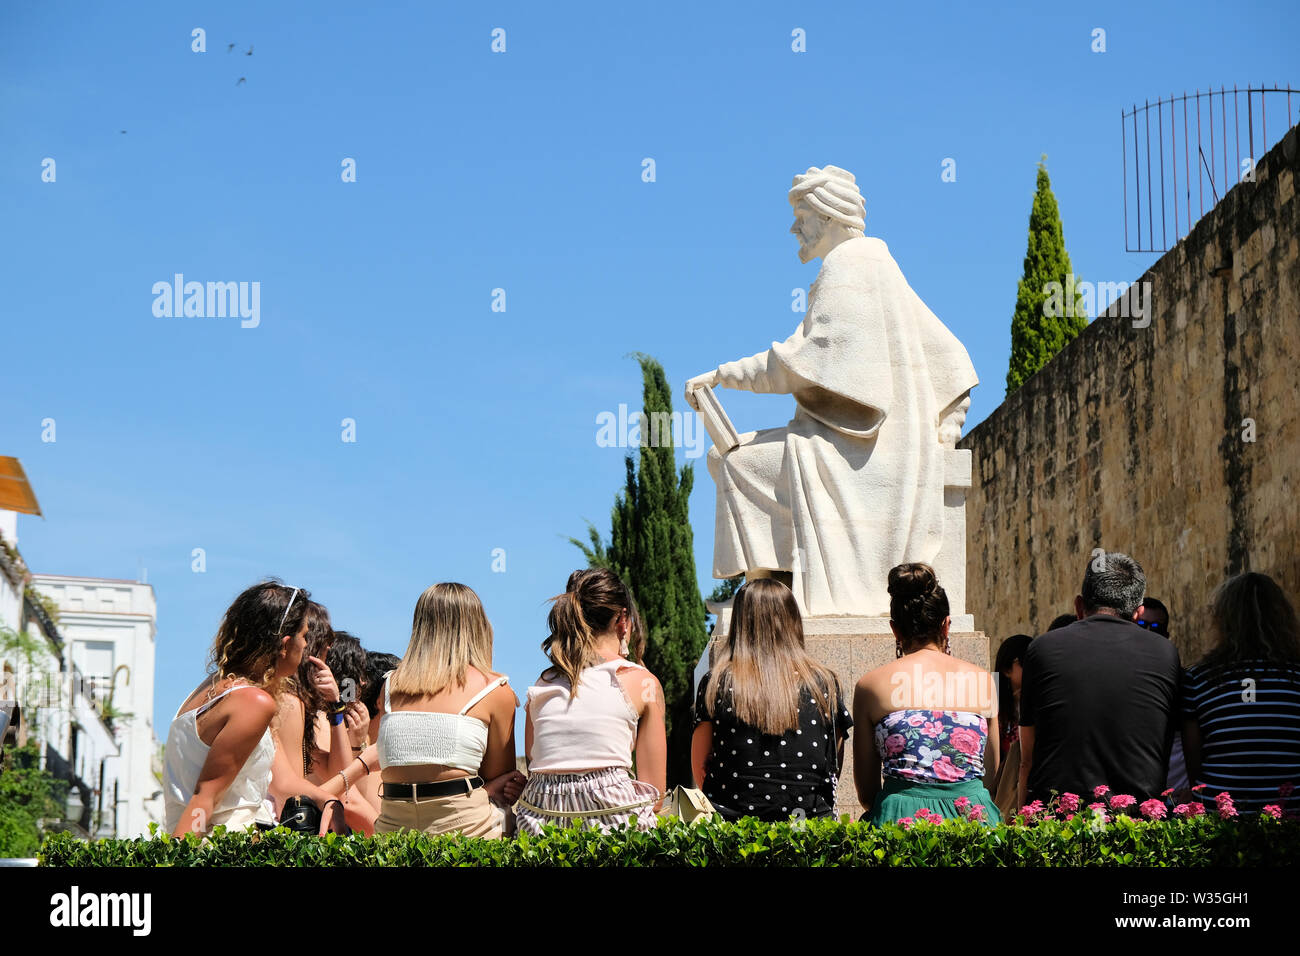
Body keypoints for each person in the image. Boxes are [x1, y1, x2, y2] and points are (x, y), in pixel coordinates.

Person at [163, 582, 344, 837]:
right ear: (284, 644)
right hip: (226, 849)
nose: (305, 646)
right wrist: (177, 858)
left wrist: (328, 799)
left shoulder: (208, 688)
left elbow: (282, 781)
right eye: (304, 636)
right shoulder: (253, 702)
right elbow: (205, 797)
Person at [1018, 552, 1181, 807]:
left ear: (1078, 606)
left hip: (1057, 823)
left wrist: (1021, 817)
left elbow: (1027, 757)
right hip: (1140, 825)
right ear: (1138, 613)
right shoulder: (1165, 653)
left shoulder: (1043, 649)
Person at [515, 568, 666, 835]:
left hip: (541, 827)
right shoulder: (643, 683)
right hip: (614, 825)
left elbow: (536, 765)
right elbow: (654, 796)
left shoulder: (541, 687)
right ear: (622, 619)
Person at [371, 582, 524, 837]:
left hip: (392, 833)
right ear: (478, 627)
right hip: (468, 831)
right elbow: (500, 781)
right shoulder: (495, 690)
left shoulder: (388, 687)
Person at [691, 579, 852, 821]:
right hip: (809, 830)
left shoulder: (717, 684)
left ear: (740, 623)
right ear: (792, 621)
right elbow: (832, 765)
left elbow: (701, 769)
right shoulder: (825, 684)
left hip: (733, 830)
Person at [853, 564, 1001, 824]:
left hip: (899, 820)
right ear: (946, 625)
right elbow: (990, 778)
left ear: (895, 630)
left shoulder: (870, 686)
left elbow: (867, 793)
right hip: (973, 820)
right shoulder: (984, 682)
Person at [1183, 572, 1300, 814]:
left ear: (1222, 620)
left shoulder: (1198, 679)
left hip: (1223, 821)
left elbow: (1195, 763)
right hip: (1292, 816)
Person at [1136, 598, 1190, 792]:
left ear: (1166, 635)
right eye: (1141, 625)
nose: (1148, 632)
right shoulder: (1113, 676)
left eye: (1156, 628)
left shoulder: (1183, 681)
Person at [991, 634, 1032, 818]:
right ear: (1007, 669)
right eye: (1026, 662)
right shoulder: (993, 706)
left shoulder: (1037, 702)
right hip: (1000, 794)